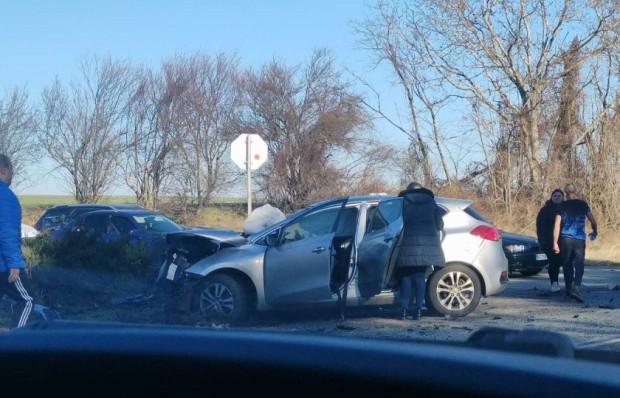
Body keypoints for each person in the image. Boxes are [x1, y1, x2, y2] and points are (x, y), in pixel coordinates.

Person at [395, 182, 445, 320]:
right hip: (427, 246)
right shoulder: (431, 202)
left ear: (408, 191)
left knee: (406, 277)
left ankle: (404, 310)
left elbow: (395, 223)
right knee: (419, 276)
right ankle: (418, 310)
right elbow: (440, 225)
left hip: (407, 244)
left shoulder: (402, 202)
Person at [0, 154, 34, 328]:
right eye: (12, 170)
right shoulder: (5, 196)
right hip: (4, 265)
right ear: (4, 170)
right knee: (27, 301)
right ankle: (17, 343)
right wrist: (15, 263)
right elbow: (6, 231)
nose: (13, 174)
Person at [553, 183, 598, 303]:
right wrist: (595, 231)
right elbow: (593, 220)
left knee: (567, 263)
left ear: (565, 193)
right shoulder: (583, 205)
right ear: (575, 191)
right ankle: (576, 288)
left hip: (566, 239)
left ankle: (568, 290)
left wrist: (555, 242)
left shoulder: (562, 206)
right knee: (579, 264)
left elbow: (557, 224)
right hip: (579, 239)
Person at [536, 189, 564, 292]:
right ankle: (554, 283)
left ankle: (570, 284)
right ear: (551, 197)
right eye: (555, 196)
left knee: (567, 263)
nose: (557, 197)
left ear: (563, 197)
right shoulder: (545, 210)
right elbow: (540, 226)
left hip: (565, 241)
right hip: (549, 241)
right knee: (553, 264)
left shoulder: (566, 209)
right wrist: (542, 240)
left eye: (559, 196)